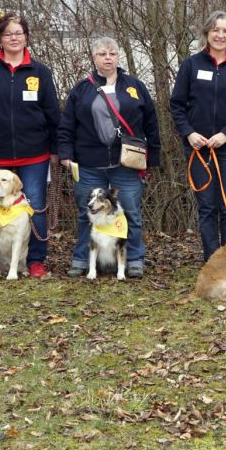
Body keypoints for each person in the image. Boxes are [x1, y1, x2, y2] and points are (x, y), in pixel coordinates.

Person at [0, 12, 60, 278]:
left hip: (35, 154)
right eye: (8, 34)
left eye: (18, 33)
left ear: (26, 37)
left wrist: (55, 150)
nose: (14, 38)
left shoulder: (40, 72)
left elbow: (53, 113)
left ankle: (36, 261)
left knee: (36, 206)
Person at [58, 36, 160, 279]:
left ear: (118, 57)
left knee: (131, 214)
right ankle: (82, 259)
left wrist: (152, 158)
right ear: (94, 58)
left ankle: (134, 259)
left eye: (112, 53)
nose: (108, 58)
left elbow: (151, 124)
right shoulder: (82, 89)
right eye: (102, 54)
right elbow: (66, 125)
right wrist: (65, 154)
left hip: (126, 165)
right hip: (88, 165)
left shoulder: (135, 87)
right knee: (88, 214)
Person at [171, 10, 226, 260]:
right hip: (198, 149)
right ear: (207, 33)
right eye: (215, 30)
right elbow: (177, 105)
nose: (220, 35)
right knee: (207, 207)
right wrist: (189, 133)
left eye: (225, 31)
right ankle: (212, 260)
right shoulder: (191, 65)